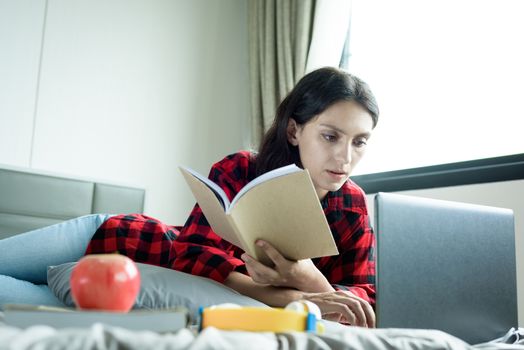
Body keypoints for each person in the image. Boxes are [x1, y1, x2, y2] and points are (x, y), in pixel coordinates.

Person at [0, 67, 379, 328]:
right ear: (295, 131)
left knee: (22, 301)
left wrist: (308, 278)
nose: (345, 157)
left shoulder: (352, 207)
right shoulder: (242, 169)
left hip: (122, 287)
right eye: (331, 136)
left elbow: (362, 294)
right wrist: (282, 294)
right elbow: (193, 256)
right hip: (114, 237)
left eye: (359, 142)